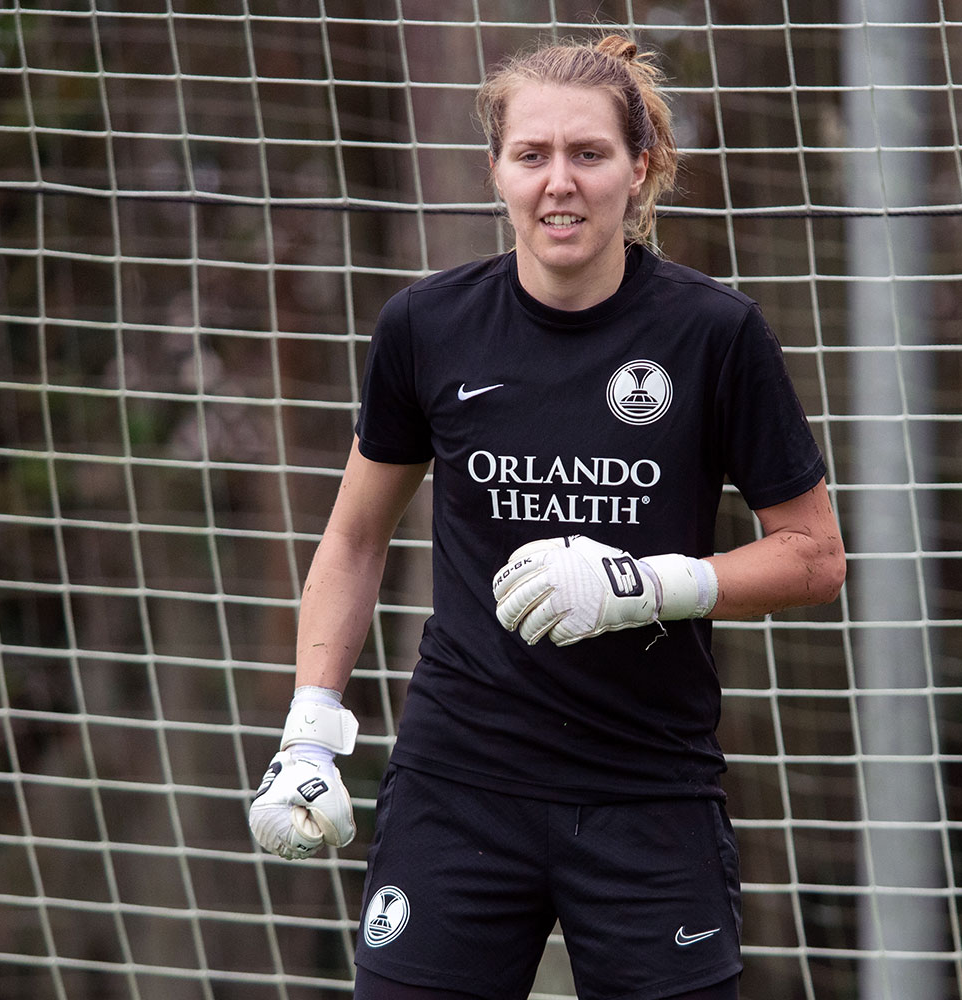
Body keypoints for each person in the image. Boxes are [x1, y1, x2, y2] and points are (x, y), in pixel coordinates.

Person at [248, 33, 846, 1000]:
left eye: (588, 154)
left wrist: (646, 585)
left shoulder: (715, 334)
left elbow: (815, 557)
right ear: (496, 170)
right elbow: (355, 538)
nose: (558, 184)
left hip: (647, 792)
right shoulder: (427, 326)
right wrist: (310, 731)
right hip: (460, 786)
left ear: (638, 166)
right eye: (532, 156)